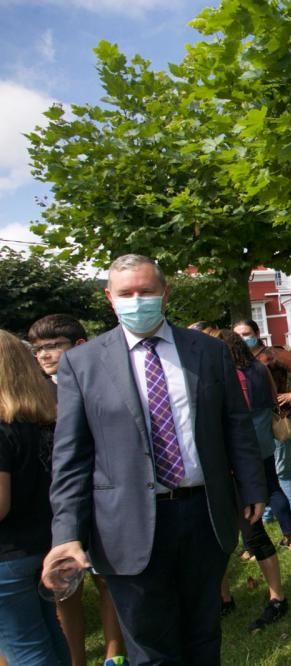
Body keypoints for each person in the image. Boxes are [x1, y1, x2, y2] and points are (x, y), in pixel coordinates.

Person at [43, 254, 267, 665]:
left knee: (203, 634)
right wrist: (67, 532)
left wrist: (252, 485)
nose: (137, 300)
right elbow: (71, 457)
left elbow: (236, 424)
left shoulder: (208, 351)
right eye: (126, 293)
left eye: (146, 291)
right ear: (110, 298)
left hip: (203, 514)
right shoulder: (83, 362)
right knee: (150, 645)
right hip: (124, 524)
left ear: (165, 293)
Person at [26, 315, 128, 666]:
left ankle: (115, 655)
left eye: (53, 346)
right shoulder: (32, 395)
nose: (43, 355)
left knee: (107, 581)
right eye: (38, 349)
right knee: (64, 589)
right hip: (55, 506)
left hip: (102, 500)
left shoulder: (103, 385)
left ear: (80, 346)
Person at [0, 329, 71, 665]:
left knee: (26, 649)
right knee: (48, 637)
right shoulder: (42, 423)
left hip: (8, 554)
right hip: (40, 544)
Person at [215, 329, 291, 631]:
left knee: (252, 531)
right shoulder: (259, 368)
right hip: (261, 449)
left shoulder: (235, 377)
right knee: (270, 494)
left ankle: (268, 598)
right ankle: (289, 536)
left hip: (240, 461)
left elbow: (237, 417)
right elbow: (272, 399)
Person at [233, 319, 291, 534]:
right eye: (237, 335)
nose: (242, 339)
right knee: (262, 469)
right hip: (253, 425)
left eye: (246, 333)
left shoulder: (272, 354)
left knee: (282, 468)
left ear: (256, 333)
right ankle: (267, 512)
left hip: (278, 420)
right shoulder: (235, 360)